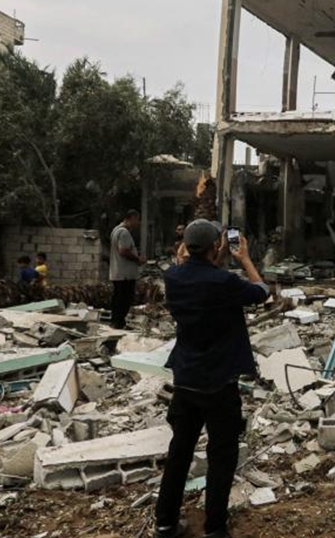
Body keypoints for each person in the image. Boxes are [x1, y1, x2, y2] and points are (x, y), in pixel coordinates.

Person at [154, 220, 271, 538]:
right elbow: (262, 292)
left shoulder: (173, 276)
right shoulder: (223, 282)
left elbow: (182, 267)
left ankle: (164, 524)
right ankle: (215, 528)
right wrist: (245, 260)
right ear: (216, 247)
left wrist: (186, 257)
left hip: (186, 378)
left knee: (180, 452)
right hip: (219, 381)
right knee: (222, 455)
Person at [109, 210, 145, 329]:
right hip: (125, 273)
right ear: (131, 218)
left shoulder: (115, 230)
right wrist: (137, 259)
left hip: (117, 272)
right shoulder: (124, 233)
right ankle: (119, 322)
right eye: (137, 219)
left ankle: (115, 321)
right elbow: (123, 251)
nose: (137, 222)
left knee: (118, 297)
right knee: (124, 298)